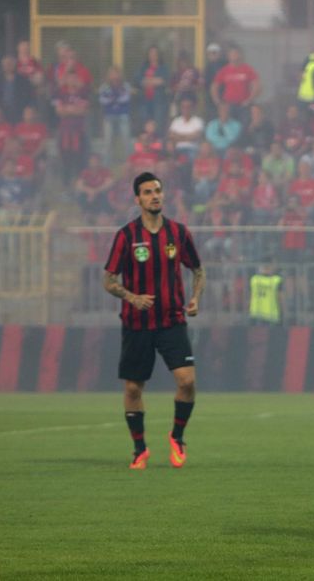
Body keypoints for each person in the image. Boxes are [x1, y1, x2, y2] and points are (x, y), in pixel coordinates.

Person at [102, 172, 205, 469]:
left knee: (187, 381)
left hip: (172, 320)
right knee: (134, 389)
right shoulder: (126, 236)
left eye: (157, 190)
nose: (154, 196)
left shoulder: (179, 233)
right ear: (138, 199)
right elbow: (108, 280)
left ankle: (177, 436)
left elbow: (198, 270)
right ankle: (139, 449)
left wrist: (196, 298)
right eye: (147, 192)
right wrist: (132, 297)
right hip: (137, 323)